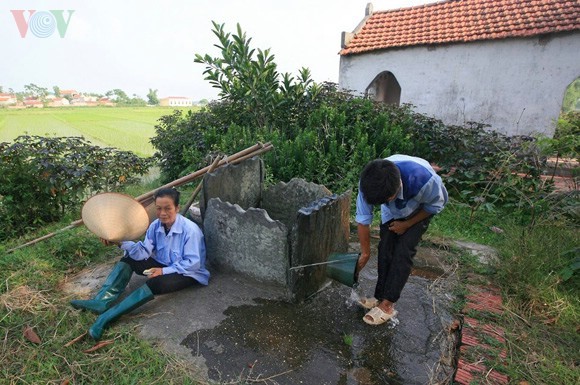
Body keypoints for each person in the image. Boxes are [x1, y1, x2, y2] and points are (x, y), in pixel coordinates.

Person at [70, 188, 210, 340]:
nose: (163, 213)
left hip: (188, 273)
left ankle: (105, 318)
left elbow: (193, 263)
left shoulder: (190, 231)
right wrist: (118, 242)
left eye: (168, 208)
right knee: (130, 258)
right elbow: (143, 251)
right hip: (164, 264)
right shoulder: (155, 226)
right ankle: (101, 302)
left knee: (157, 283)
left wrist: (162, 272)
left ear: (177, 208)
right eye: (159, 208)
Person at [355, 154, 447, 326]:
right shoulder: (369, 183)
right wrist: (365, 253)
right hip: (393, 210)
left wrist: (407, 224)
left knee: (403, 252)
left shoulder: (425, 180)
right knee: (385, 249)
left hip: (419, 210)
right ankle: (379, 297)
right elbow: (363, 219)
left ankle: (388, 304)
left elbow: (434, 206)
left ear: (394, 192)